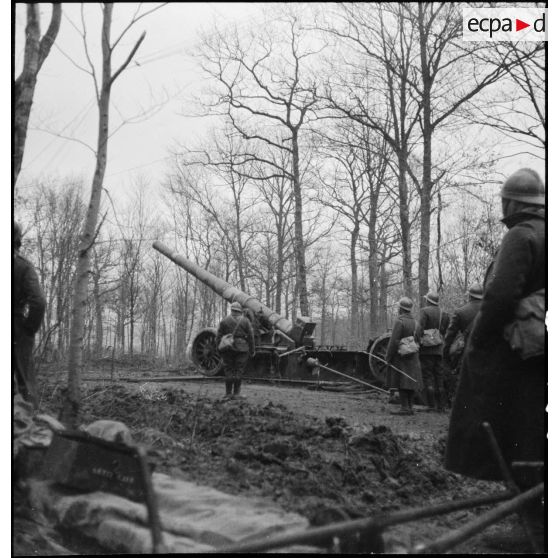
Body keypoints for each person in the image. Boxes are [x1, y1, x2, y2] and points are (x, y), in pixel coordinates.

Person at [445, 168, 546, 491]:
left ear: (512, 204)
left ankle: (528, 517)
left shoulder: (521, 235)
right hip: (539, 350)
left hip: (514, 351)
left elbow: (500, 295)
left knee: (511, 428)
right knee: (533, 428)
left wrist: (478, 338)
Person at [13, 222, 46, 408]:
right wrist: (28, 330)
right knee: (26, 385)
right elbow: (38, 301)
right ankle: (31, 427)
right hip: (16, 329)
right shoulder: (23, 267)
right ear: (18, 240)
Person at [384, 297, 423, 415]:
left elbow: (393, 341)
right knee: (411, 381)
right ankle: (410, 407)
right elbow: (418, 340)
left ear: (401, 309)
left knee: (402, 381)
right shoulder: (416, 323)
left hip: (401, 356)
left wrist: (388, 357)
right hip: (414, 356)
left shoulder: (399, 321)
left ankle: (405, 407)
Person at [216, 301, 255, 400]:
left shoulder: (224, 321)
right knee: (239, 370)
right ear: (240, 310)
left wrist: (219, 349)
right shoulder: (245, 321)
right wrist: (252, 350)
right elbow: (251, 337)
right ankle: (236, 394)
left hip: (228, 348)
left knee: (228, 370)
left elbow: (218, 336)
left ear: (232, 310)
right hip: (242, 349)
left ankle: (228, 394)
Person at [418, 291, 450, 412]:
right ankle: (441, 406)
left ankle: (431, 405)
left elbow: (419, 329)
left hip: (426, 349)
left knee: (428, 376)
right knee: (439, 376)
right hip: (439, 349)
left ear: (428, 301)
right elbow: (444, 331)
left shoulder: (424, 311)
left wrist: (418, 341)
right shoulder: (445, 314)